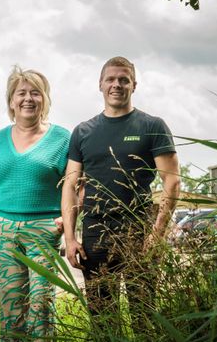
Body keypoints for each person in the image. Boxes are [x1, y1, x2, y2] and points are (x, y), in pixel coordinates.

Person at [61, 56, 180, 326]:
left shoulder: (152, 126)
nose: (117, 84)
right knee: (103, 318)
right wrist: (70, 239)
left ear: (134, 85)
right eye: (111, 79)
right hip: (96, 231)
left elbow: (171, 182)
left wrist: (157, 235)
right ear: (100, 85)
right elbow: (70, 185)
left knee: (144, 314)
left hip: (138, 229)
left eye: (124, 80)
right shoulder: (83, 131)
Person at [0, 67, 70, 342]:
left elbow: (77, 185)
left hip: (45, 228)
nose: (28, 99)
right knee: (12, 303)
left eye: (35, 92)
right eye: (22, 93)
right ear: (11, 101)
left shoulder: (62, 139)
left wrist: (68, 220)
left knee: (41, 304)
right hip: (6, 228)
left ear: (45, 99)